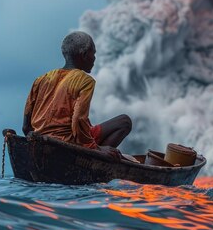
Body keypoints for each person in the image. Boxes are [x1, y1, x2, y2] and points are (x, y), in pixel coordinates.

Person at [22, 31, 132, 160]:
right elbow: (79, 120)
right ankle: (94, 160)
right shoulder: (85, 80)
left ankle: (95, 153)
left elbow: (26, 127)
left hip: (42, 139)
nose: (95, 58)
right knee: (125, 121)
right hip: (70, 142)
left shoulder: (41, 80)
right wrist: (96, 149)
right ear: (84, 55)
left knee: (121, 122)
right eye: (93, 53)